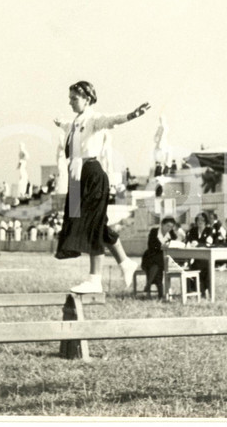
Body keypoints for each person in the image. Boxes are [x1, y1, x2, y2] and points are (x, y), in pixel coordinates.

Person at [53, 80, 150, 293]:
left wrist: (132, 115)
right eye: (69, 98)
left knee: (93, 226)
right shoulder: (76, 121)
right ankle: (125, 262)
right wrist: (59, 123)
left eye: (74, 98)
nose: (70, 102)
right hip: (77, 177)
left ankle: (94, 280)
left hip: (92, 175)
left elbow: (112, 119)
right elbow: (69, 128)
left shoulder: (94, 119)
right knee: (89, 222)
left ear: (87, 99)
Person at [141, 217, 178, 298]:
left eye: (171, 227)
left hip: (161, 259)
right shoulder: (154, 231)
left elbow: (175, 243)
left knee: (158, 264)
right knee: (158, 262)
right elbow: (151, 246)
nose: (169, 228)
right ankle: (160, 294)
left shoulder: (171, 234)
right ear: (162, 224)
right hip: (150, 256)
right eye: (167, 226)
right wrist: (162, 246)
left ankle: (148, 284)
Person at [183, 212, 215, 297]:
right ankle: (198, 291)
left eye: (202, 220)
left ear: (206, 221)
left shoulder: (209, 230)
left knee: (203, 266)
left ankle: (204, 291)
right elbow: (188, 240)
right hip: (196, 258)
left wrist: (198, 244)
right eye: (198, 220)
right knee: (192, 267)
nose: (200, 222)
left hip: (206, 258)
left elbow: (209, 243)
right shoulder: (193, 230)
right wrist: (189, 243)